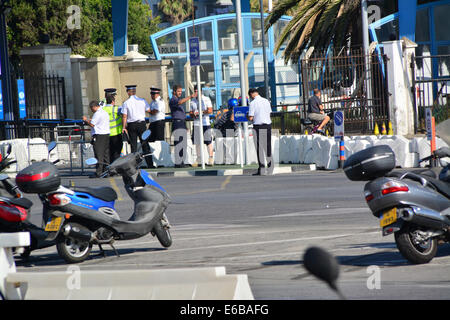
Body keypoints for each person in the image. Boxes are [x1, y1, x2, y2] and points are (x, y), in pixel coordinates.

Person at [121, 85, 153, 168]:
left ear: (128, 92)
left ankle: (134, 165)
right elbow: (149, 110)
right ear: (134, 92)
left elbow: (124, 116)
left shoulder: (126, 103)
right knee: (145, 144)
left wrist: (124, 127)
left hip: (131, 125)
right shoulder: (142, 101)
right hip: (142, 124)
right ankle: (150, 164)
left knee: (133, 146)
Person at [169, 84, 197, 168]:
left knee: (183, 143)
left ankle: (181, 161)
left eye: (181, 91)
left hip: (181, 123)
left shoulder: (177, 99)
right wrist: (190, 96)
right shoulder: (173, 99)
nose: (180, 93)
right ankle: (178, 162)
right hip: (177, 123)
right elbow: (180, 102)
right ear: (174, 92)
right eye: (178, 91)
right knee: (179, 143)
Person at [247, 88, 273, 176]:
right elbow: (269, 113)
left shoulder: (253, 103)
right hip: (268, 125)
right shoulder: (266, 101)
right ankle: (270, 167)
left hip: (258, 126)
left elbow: (250, 117)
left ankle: (261, 168)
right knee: (268, 147)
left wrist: (246, 116)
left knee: (259, 148)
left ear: (251, 94)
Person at [83, 100, 110, 178]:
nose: (91, 110)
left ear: (94, 107)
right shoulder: (104, 112)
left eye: (91, 108)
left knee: (99, 154)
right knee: (105, 154)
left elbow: (92, 124)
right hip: (106, 134)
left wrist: (86, 120)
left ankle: (99, 172)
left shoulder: (97, 114)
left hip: (99, 135)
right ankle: (106, 171)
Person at [190, 88, 214, 167]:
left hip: (205, 123)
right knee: (197, 142)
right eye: (195, 91)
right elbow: (190, 113)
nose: (196, 93)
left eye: (197, 91)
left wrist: (202, 112)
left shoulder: (206, 99)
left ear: (201, 92)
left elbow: (210, 110)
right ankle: (199, 159)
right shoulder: (193, 100)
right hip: (196, 123)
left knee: (208, 141)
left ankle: (210, 158)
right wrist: (194, 114)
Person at [102, 88, 123, 164]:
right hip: (116, 133)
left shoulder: (102, 106)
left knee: (109, 152)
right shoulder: (116, 108)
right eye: (114, 96)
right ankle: (115, 167)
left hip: (106, 133)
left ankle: (109, 167)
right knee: (116, 152)